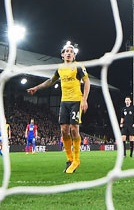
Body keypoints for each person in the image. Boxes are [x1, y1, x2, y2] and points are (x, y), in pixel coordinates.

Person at [27, 41, 90, 174]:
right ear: (62, 54)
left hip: (76, 101)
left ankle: (77, 160)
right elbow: (51, 81)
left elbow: (87, 82)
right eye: (66, 51)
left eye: (71, 52)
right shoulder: (60, 68)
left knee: (74, 129)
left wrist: (84, 99)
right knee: (63, 130)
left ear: (74, 55)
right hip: (64, 102)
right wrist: (37, 88)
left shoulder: (78, 67)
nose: (69, 53)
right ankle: (69, 159)